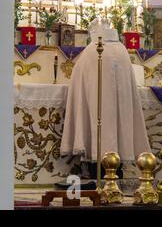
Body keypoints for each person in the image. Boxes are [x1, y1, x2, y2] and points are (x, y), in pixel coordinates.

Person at [61, 17, 150, 171]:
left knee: (100, 132)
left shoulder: (91, 50)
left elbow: (78, 78)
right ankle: (117, 170)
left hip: (97, 106)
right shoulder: (121, 49)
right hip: (120, 106)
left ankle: (98, 171)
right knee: (118, 128)